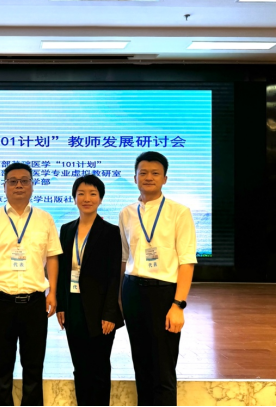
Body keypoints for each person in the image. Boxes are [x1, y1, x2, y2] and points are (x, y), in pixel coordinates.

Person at [0, 163, 63, 407]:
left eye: (24, 181)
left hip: (34, 302)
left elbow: (52, 257)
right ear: (4, 186)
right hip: (1, 301)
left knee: (33, 366)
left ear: (32, 185)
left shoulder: (45, 219)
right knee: (2, 366)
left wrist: (52, 293)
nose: (19, 186)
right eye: (13, 181)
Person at [119, 152, 197, 407]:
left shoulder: (179, 212)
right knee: (141, 365)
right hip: (132, 291)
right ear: (135, 178)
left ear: (165, 178)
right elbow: (124, 258)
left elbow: (186, 261)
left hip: (164, 294)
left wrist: (178, 305)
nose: (148, 177)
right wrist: (120, 297)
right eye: (143, 173)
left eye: (155, 173)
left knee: (163, 368)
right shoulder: (126, 213)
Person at [56, 175, 124, 406]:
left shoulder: (110, 232)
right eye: (81, 194)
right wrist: (61, 306)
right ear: (74, 198)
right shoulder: (66, 230)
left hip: (100, 310)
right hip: (73, 306)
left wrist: (110, 313)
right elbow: (62, 271)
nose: (87, 198)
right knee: (80, 366)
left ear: (101, 199)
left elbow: (114, 275)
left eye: (93, 194)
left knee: (99, 367)